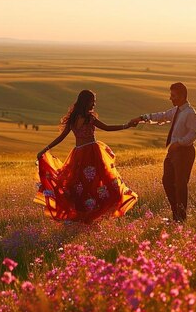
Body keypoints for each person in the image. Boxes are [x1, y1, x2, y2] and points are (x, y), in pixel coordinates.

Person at [34, 90, 138, 223]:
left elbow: (106, 128)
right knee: (79, 186)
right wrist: (45, 149)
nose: (94, 104)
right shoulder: (79, 119)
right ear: (86, 102)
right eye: (92, 101)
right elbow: (61, 137)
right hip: (84, 155)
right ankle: (84, 215)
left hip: (90, 153)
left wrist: (126, 126)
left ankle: (93, 214)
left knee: (96, 183)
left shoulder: (87, 118)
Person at [131, 82, 196, 222]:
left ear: (181, 96)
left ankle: (180, 217)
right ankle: (176, 213)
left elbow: (193, 135)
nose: (170, 98)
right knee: (167, 181)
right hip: (173, 152)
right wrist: (142, 118)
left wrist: (178, 143)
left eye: (173, 96)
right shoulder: (177, 111)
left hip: (184, 152)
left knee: (180, 184)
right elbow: (162, 116)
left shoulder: (190, 113)